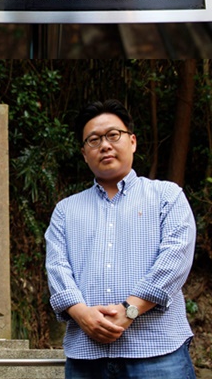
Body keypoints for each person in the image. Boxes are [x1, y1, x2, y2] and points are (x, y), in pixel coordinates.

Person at [45, 99, 196, 379]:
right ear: (83, 153)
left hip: (158, 353)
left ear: (133, 141)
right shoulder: (66, 210)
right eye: (94, 139)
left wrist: (130, 310)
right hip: (87, 357)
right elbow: (57, 268)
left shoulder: (168, 196)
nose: (104, 145)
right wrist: (81, 314)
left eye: (114, 135)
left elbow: (175, 259)